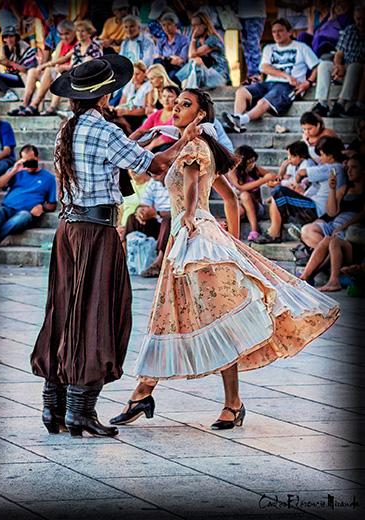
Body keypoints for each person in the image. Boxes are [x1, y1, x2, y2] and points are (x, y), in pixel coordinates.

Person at [109, 88, 340, 431]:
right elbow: (230, 198)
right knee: (190, 316)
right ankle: (155, 393)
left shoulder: (194, 148)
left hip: (193, 240)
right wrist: (227, 239)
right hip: (198, 237)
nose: (177, 107)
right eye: (177, 102)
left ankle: (160, 394)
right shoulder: (202, 147)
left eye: (186, 104)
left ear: (201, 115)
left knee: (191, 315)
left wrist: (191, 217)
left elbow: (190, 189)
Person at [29, 56, 204, 438]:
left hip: (68, 229)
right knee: (98, 310)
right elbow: (153, 167)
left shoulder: (67, 128)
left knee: (64, 309)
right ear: (104, 95)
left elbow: (110, 158)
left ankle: (53, 406)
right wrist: (184, 142)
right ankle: (81, 410)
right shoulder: (104, 130)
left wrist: (134, 141)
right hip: (96, 231)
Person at [223, 18, 319, 133]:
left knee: (263, 102)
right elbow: (264, 67)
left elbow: (317, 67)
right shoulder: (269, 48)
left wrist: (308, 82)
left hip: (288, 86)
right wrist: (286, 75)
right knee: (241, 92)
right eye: (274, 32)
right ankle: (236, 121)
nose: (276, 34)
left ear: (289, 32)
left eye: (280, 31)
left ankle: (241, 120)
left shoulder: (301, 47)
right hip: (269, 83)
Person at [256, 136, 346, 244]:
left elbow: (302, 172)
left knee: (280, 191)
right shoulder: (337, 168)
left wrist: (297, 181)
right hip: (316, 207)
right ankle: (275, 230)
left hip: (317, 210)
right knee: (278, 194)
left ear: (331, 155)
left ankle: (274, 232)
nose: (320, 158)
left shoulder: (332, 168)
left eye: (322, 155)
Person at [300, 155, 365, 290]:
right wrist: (332, 189)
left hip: (350, 235)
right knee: (328, 240)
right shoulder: (345, 188)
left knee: (332, 241)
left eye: (354, 167)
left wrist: (343, 226)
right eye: (348, 168)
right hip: (335, 228)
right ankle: (303, 278)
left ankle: (333, 281)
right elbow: (331, 212)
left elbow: (362, 214)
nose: (349, 171)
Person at [8, 19, 77, 116]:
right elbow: (55, 60)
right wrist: (45, 66)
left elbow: (63, 60)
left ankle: (34, 105)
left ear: (74, 32)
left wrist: (45, 65)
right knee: (32, 71)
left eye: (67, 34)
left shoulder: (77, 44)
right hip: (55, 71)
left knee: (48, 70)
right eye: (61, 34)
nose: (64, 37)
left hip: (66, 73)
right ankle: (24, 104)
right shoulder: (61, 44)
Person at [313, 4, 365, 117]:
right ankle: (322, 103)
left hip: (359, 71)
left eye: (363, 19)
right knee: (324, 65)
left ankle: (340, 104)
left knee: (355, 66)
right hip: (344, 67)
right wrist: (338, 65)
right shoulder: (350, 30)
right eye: (358, 19)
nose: (360, 22)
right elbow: (339, 53)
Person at [227, 145, 278, 242]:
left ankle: (255, 229)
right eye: (249, 162)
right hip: (240, 207)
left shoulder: (256, 169)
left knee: (245, 195)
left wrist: (270, 180)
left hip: (256, 208)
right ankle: (230, 232)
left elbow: (272, 176)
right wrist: (263, 180)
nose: (252, 164)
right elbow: (240, 187)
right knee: (239, 209)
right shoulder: (232, 172)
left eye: (254, 161)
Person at [123, 178, 171, 278]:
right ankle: (125, 259)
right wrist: (141, 212)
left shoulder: (176, 180)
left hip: (171, 222)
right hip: (156, 222)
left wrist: (157, 213)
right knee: (132, 218)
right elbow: (144, 204)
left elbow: (180, 210)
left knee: (167, 221)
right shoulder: (154, 182)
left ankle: (158, 263)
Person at [176, 11, 230, 89]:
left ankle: (179, 82)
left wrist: (193, 38)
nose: (193, 29)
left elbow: (192, 54)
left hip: (219, 75)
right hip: (204, 75)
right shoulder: (198, 41)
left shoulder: (213, 39)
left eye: (196, 25)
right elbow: (190, 57)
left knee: (196, 62)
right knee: (194, 63)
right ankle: (186, 89)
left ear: (204, 25)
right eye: (192, 26)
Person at [129, 85, 180, 152]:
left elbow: (172, 134)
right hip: (151, 144)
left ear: (177, 99)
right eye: (164, 96)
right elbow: (141, 130)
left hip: (167, 146)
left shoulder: (178, 114)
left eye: (170, 96)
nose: (166, 99)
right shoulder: (156, 114)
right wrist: (127, 142)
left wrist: (151, 145)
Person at [111, 60, 151, 132]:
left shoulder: (149, 86)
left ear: (145, 73)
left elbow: (145, 110)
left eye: (137, 74)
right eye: (133, 74)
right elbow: (121, 104)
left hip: (138, 117)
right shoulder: (129, 84)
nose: (134, 77)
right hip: (126, 115)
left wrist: (126, 112)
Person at [153, 12, 189, 81]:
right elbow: (156, 57)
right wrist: (169, 59)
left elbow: (181, 60)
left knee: (170, 77)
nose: (166, 28)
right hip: (163, 67)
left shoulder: (184, 40)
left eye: (169, 24)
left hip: (178, 68)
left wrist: (163, 58)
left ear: (175, 25)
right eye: (163, 25)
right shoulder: (161, 41)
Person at [237, 0, 267, 85]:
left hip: (255, 13)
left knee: (253, 45)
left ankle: (256, 75)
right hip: (242, 13)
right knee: (246, 46)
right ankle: (251, 75)